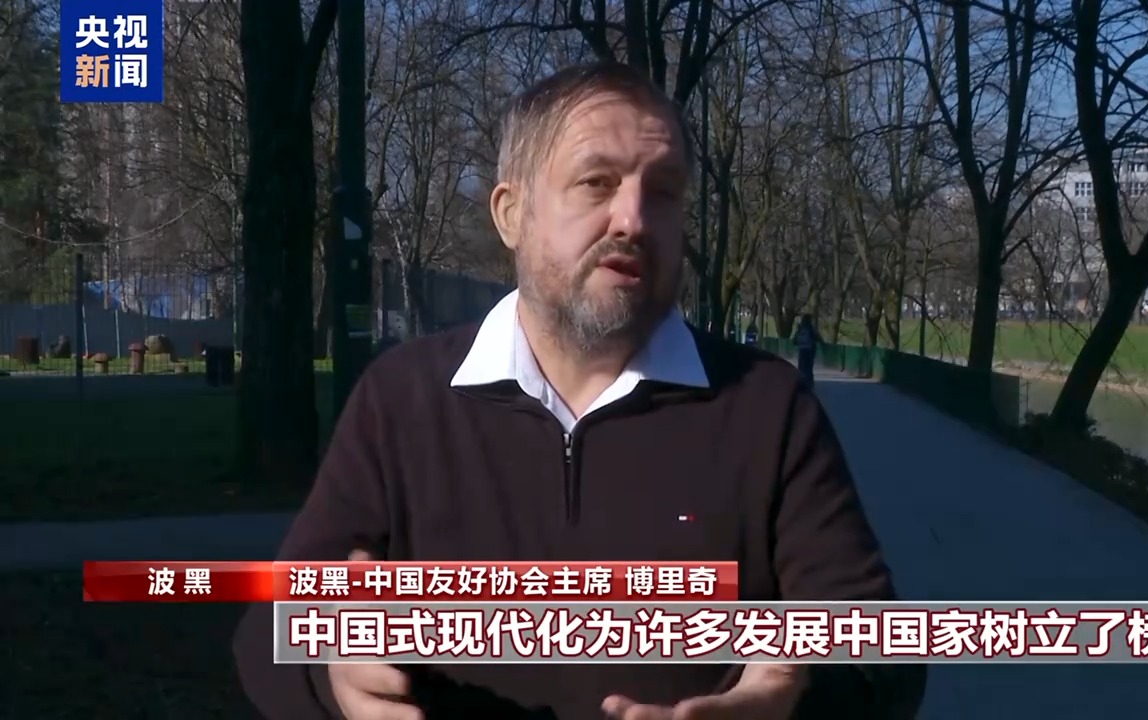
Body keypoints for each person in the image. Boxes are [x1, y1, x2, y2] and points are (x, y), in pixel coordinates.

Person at [232, 61, 924, 720]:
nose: (634, 219)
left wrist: (795, 699)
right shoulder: (402, 400)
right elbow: (267, 636)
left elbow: (881, 653)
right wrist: (332, 672)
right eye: (597, 182)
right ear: (511, 213)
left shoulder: (767, 407)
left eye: (664, 191)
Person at [793, 314, 821, 388]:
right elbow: (817, 338)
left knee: (802, 367)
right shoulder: (810, 329)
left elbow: (794, 341)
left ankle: (801, 382)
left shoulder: (800, 330)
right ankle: (809, 383)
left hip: (802, 350)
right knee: (808, 368)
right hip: (809, 351)